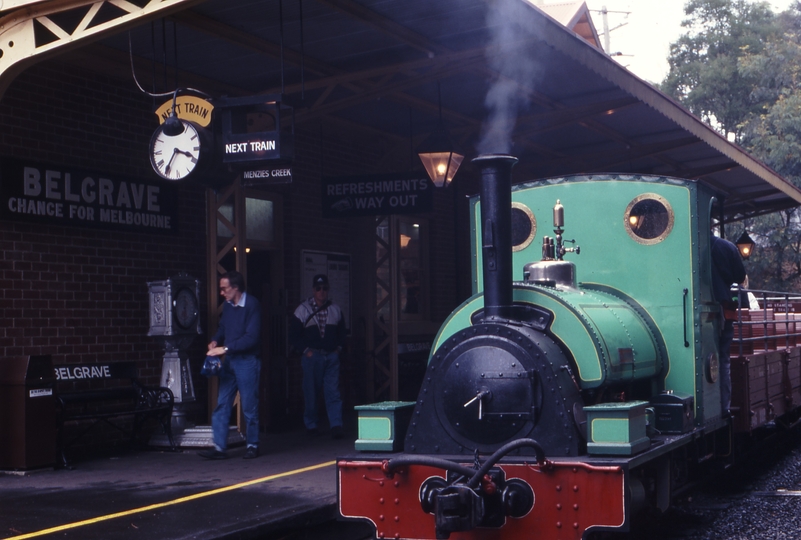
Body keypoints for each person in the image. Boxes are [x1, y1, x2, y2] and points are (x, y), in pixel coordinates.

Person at [199, 270, 262, 460]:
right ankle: (220, 447)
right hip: (232, 360)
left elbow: (251, 338)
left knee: (249, 406)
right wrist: (215, 340)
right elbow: (223, 327)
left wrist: (224, 349)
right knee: (222, 403)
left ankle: (252, 444)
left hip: (247, 361)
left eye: (224, 288)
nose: (222, 293)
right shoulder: (228, 305)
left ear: (235, 288)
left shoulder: (252, 305)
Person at [290, 274, 347, 439]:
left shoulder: (335, 309)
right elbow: (293, 335)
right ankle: (311, 424)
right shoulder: (302, 310)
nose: (322, 292)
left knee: (333, 392)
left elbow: (342, 332)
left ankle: (336, 425)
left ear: (328, 289)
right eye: (318, 288)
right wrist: (306, 351)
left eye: (325, 288)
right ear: (313, 290)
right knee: (310, 392)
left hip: (331, 356)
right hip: (312, 356)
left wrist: (338, 349)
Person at [711, 234, 747, 415]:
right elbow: (740, 276)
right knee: (723, 358)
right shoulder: (725, 247)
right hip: (723, 306)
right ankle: (723, 406)